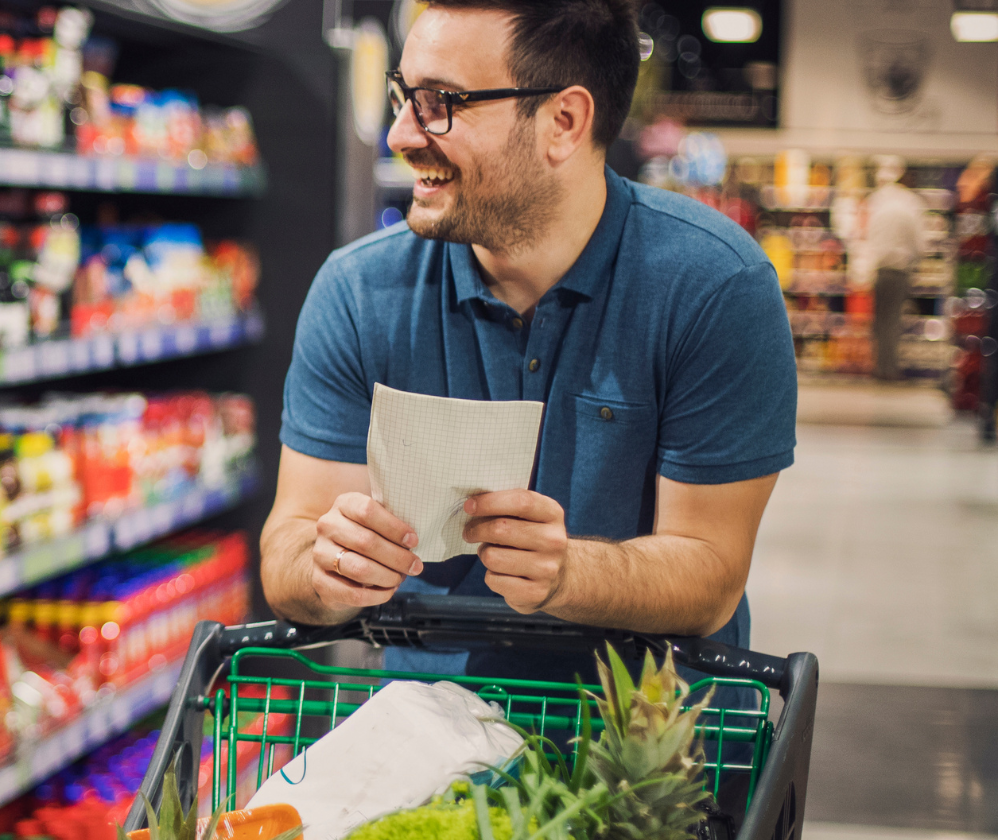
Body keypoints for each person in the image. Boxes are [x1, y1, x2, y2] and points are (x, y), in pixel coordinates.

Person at [259, 0, 798, 684]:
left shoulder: (714, 286)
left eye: (439, 103)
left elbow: (711, 571)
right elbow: (288, 546)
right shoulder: (359, 290)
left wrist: (570, 571)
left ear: (563, 122)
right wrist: (326, 565)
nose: (400, 133)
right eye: (403, 96)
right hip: (424, 751)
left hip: (654, 757)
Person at [863, 155, 927, 381]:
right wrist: (916, 263)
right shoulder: (911, 203)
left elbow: (867, 236)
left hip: (880, 269)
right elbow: (919, 242)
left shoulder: (876, 201)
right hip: (900, 269)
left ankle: (881, 367)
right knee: (893, 320)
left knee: (880, 321)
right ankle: (889, 370)